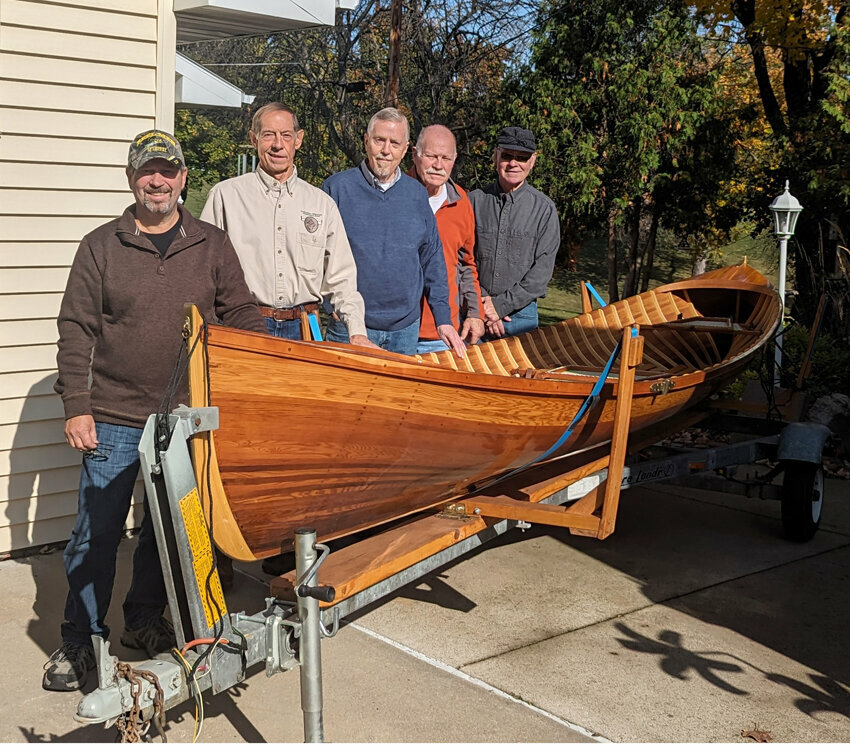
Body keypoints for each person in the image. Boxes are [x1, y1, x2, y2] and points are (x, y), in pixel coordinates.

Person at [43, 129, 266, 692]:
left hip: (187, 419)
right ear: (131, 178)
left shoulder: (211, 244)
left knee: (166, 531)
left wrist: (257, 376)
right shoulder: (100, 245)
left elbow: (240, 313)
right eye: (148, 171)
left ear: (184, 178)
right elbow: (76, 330)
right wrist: (77, 405)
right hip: (114, 415)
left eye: (167, 170)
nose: (157, 180)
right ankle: (79, 642)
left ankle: (143, 620)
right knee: (95, 535)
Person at [201, 103, 374, 348]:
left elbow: (342, 279)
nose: (277, 145)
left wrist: (357, 331)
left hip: (306, 328)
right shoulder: (225, 197)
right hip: (245, 325)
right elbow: (204, 272)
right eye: (268, 135)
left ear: (298, 140)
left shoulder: (321, 204)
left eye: (286, 135)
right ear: (254, 139)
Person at [321, 108, 466, 357]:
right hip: (350, 326)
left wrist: (443, 317)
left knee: (398, 397)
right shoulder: (336, 189)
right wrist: (327, 304)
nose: (386, 150)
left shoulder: (417, 195)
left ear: (405, 148)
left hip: (404, 330)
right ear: (366, 141)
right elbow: (316, 254)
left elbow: (432, 260)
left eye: (394, 143)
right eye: (379, 140)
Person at [468, 127, 560, 339]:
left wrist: (500, 307)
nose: (513, 164)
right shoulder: (472, 201)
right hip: (473, 311)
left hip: (521, 317)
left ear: (533, 160)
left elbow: (541, 274)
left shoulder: (544, 210)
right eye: (507, 156)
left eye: (522, 158)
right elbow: (460, 259)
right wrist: (482, 303)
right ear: (495, 156)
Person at [410, 125, 485, 353]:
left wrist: (474, 313)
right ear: (415, 154)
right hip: (396, 331)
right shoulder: (395, 197)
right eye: (431, 156)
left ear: (454, 160)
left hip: (441, 333)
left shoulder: (461, 202)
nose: (438, 165)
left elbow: (466, 264)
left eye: (446, 158)